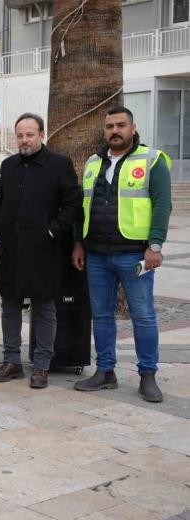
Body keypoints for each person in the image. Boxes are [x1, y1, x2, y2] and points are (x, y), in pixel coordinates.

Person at [72, 106, 172, 403]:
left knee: (143, 316)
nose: (114, 131)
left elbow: (162, 205)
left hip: (134, 255)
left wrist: (155, 246)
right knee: (101, 316)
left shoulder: (151, 160)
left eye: (120, 125)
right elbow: (83, 207)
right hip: (98, 255)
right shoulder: (93, 162)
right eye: (109, 126)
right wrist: (79, 243)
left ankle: (148, 375)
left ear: (132, 127)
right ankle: (105, 372)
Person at [0, 113, 80, 389]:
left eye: (30, 134)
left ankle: (41, 366)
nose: (24, 140)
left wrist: (51, 231)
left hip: (44, 250)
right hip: (12, 249)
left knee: (44, 308)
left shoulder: (59, 164)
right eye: (20, 135)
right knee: (10, 306)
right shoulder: (9, 164)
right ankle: (12, 361)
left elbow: (73, 205)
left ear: (42, 134)